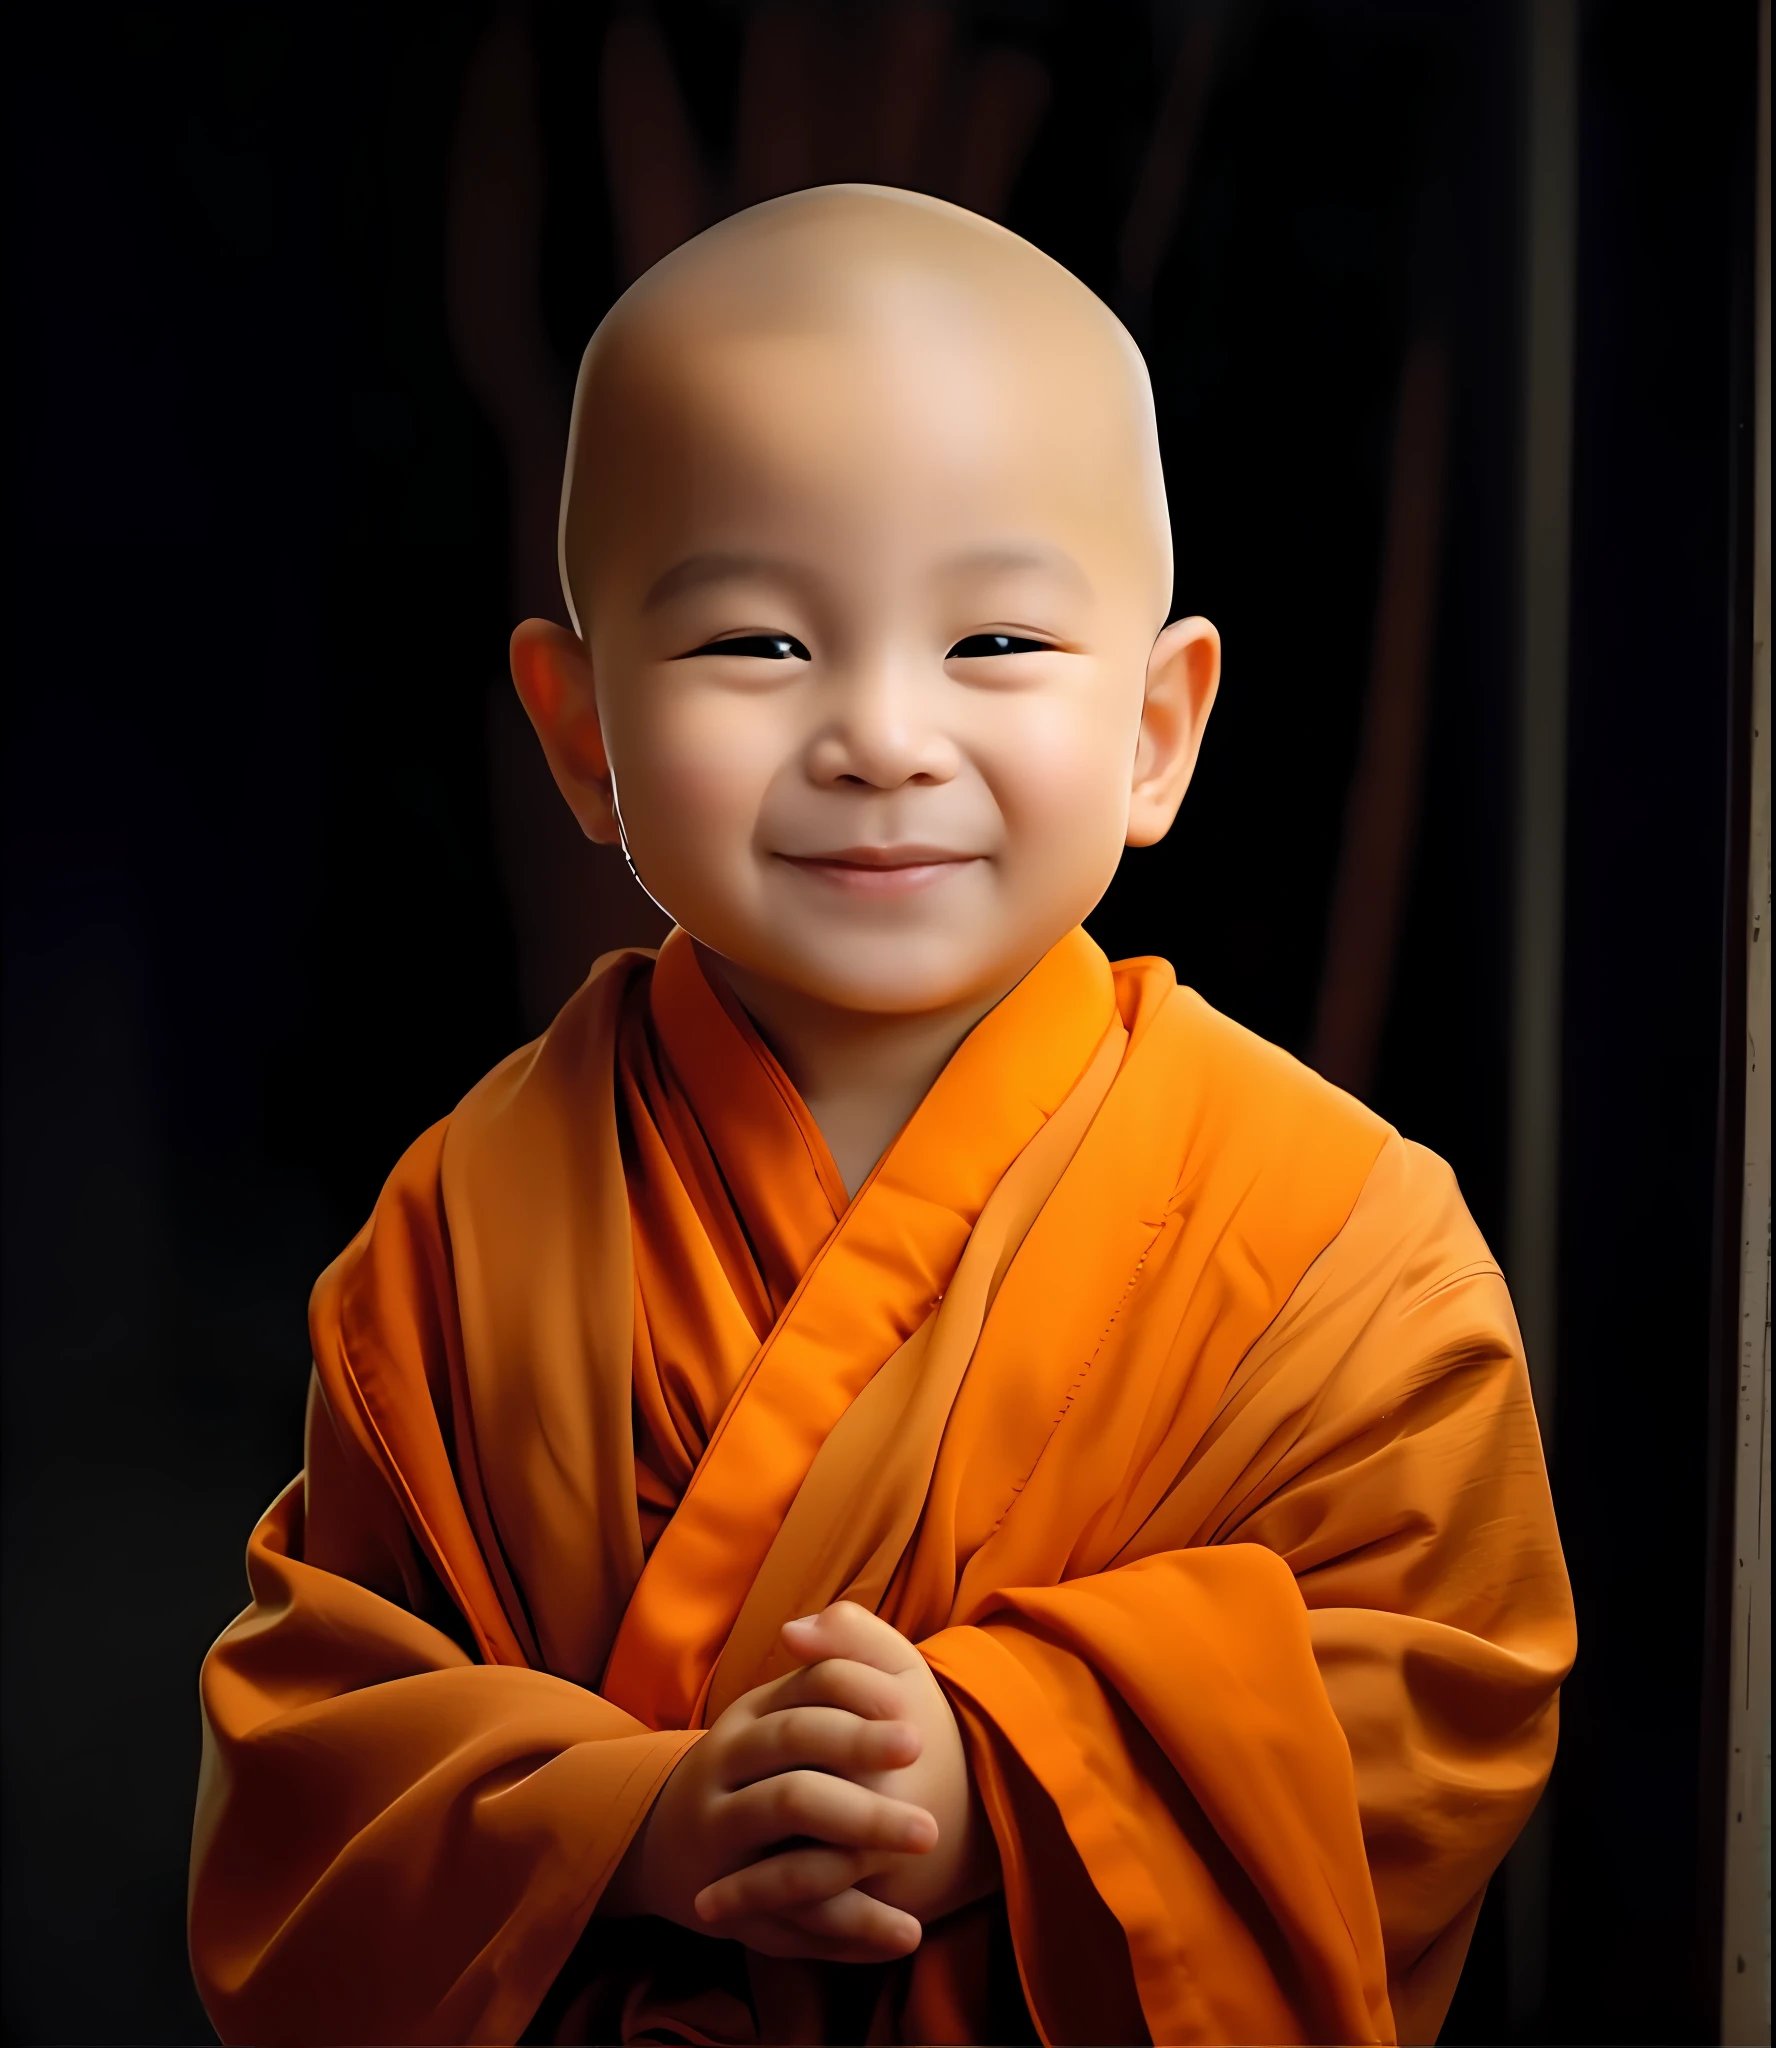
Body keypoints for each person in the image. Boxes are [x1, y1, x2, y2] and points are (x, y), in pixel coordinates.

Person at [188, 185, 1574, 2047]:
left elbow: (1441, 1698)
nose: (880, 734)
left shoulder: (1341, 1242)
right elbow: (316, 1761)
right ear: (580, 729)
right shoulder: (463, 1225)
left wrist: (1014, 1774)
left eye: (995, 644)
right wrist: (637, 1823)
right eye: (760, 647)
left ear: (1159, 731)